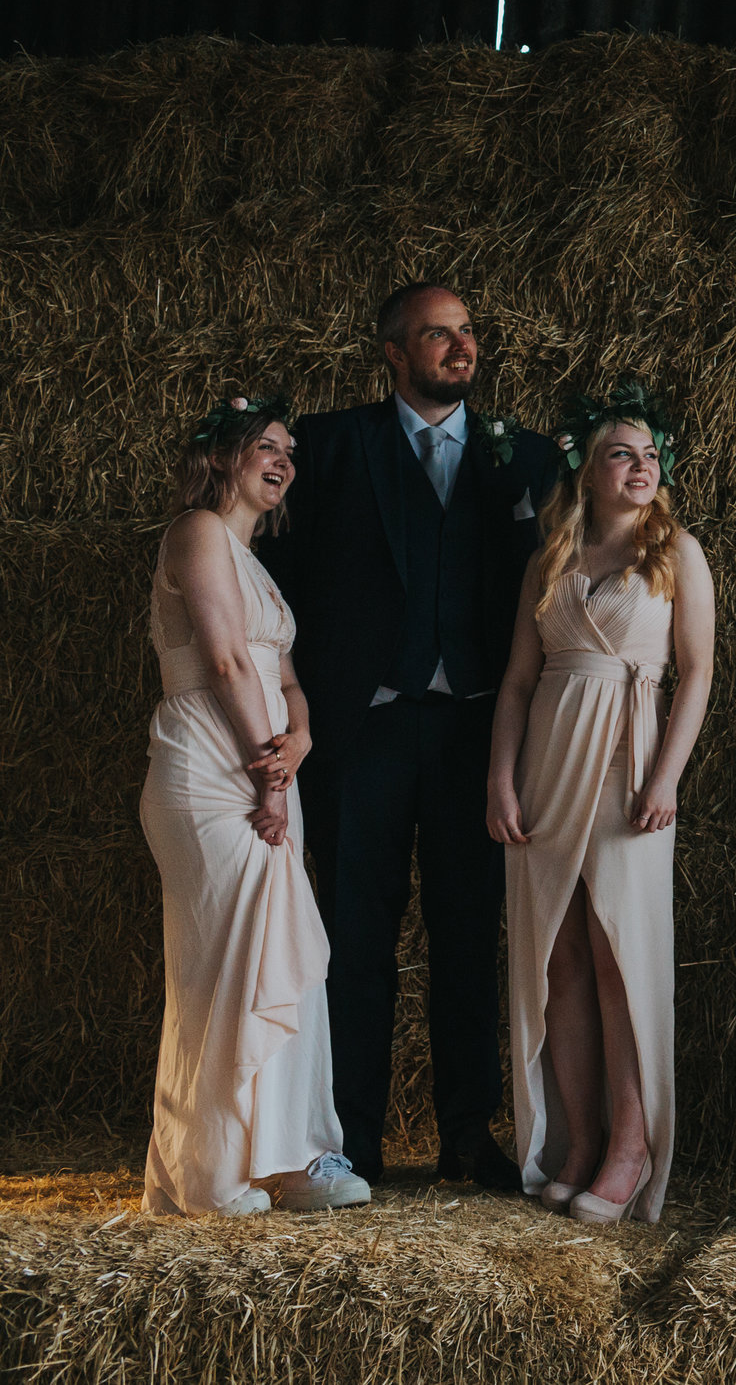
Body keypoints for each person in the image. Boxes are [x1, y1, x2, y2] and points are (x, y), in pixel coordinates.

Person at [261, 285, 560, 1187]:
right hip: (363, 734)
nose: (460, 346)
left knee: (469, 938)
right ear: (393, 352)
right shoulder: (327, 448)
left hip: (477, 735)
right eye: (439, 334)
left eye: (467, 330)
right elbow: (268, 580)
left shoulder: (529, 457)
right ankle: (352, 1138)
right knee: (355, 941)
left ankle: (469, 1133)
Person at [487, 385, 714, 1226]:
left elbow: (698, 674)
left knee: (621, 952)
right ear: (584, 468)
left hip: (628, 767)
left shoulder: (678, 554)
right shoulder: (551, 557)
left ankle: (632, 1145)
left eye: (652, 453)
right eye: (624, 452)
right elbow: (516, 681)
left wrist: (666, 777)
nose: (643, 465)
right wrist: (500, 780)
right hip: (549, 763)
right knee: (562, 956)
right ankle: (579, 1140)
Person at [140, 393, 367, 1217]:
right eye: (267, 446)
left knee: (280, 953)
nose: (284, 461)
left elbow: (286, 679)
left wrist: (299, 738)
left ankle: (292, 1155)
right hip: (213, 766)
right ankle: (209, 1169)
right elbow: (231, 661)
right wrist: (271, 775)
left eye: (291, 451)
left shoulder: (256, 560)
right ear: (225, 456)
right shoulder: (197, 533)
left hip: (269, 761)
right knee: (223, 959)